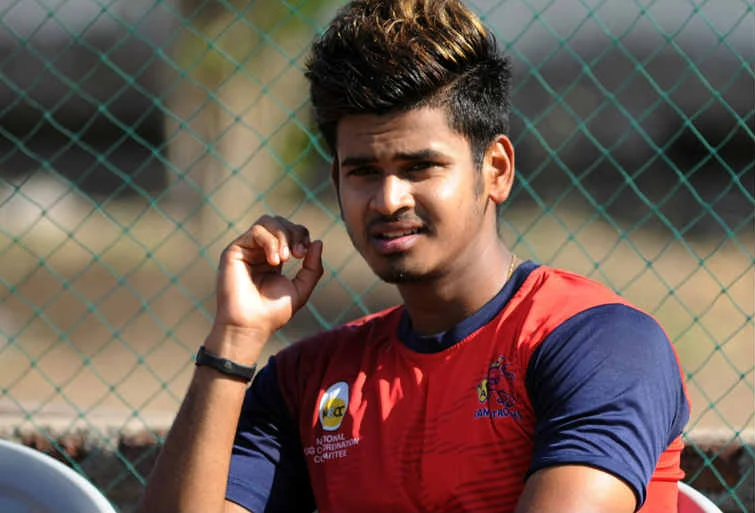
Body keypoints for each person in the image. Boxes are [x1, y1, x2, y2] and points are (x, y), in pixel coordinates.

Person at [138, 1, 690, 512]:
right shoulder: (307, 379)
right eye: (363, 172)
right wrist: (233, 340)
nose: (388, 200)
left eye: (420, 167)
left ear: (496, 171)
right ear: (336, 181)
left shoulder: (599, 344)